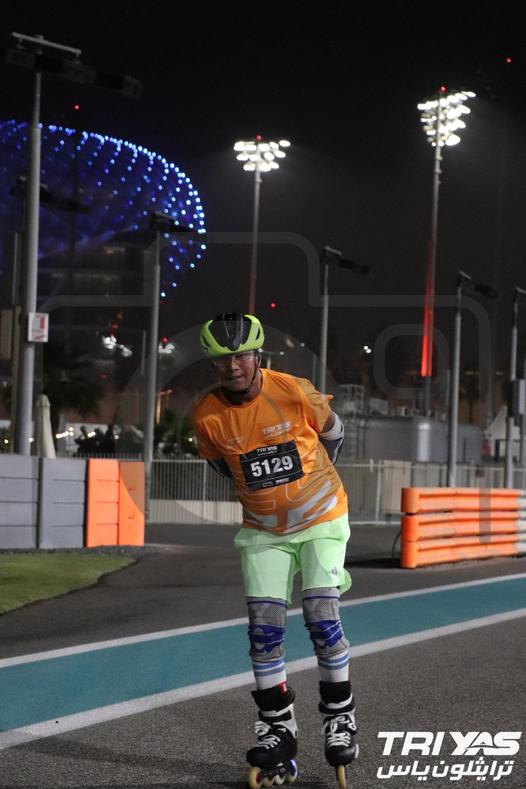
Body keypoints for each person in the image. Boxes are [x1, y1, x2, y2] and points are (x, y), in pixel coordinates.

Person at [192, 312, 358, 781]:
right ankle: (277, 729)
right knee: (263, 630)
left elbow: (334, 434)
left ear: (258, 355)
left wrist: (310, 487)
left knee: (321, 616)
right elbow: (226, 470)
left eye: (242, 356)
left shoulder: (294, 391)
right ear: (212, 364)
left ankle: (340, 717)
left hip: (322, 518)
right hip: (264, 531)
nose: (233, 367)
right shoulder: (206, 416)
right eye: (222, 360)